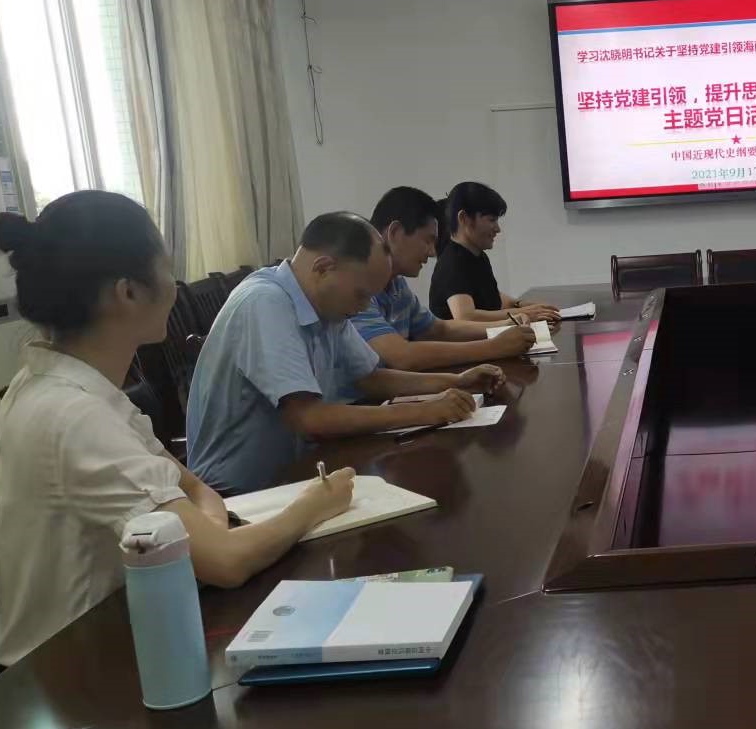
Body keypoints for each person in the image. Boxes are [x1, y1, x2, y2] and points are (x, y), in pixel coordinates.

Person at [0, 193, 355, 667]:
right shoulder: (74, 414)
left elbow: (195, 489)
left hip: (102, 640)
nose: (174, 286)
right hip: (66, 670)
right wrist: (315, 504)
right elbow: (226, 562)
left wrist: (203, 532)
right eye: (166, 269)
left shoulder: (63, 384)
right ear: (128, 293)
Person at [187, 211, 504, 495]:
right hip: (239, 498)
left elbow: (370, 378)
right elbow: (309, 417)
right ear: (323, 268)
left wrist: (455, 381)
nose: (364, 307)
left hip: (300, 475)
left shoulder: (325, 305)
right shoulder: (265, 302)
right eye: (362, 295)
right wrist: (425, 412)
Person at [354, 186, 535, 367]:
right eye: (428, 240)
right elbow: (400, 355)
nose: (432, 252)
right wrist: (494, 347)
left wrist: (505, 325)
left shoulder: (397, 286)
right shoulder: (357, 289)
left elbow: (438, 329)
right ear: (395, 233)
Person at [429, 181, 560, 324]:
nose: (497, 229)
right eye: (491, 220)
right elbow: (466, 316)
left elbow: (492, 298)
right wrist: (523, 313)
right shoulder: (453, 263)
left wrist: (521, 305)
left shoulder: (477, 256)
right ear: (464, 219)